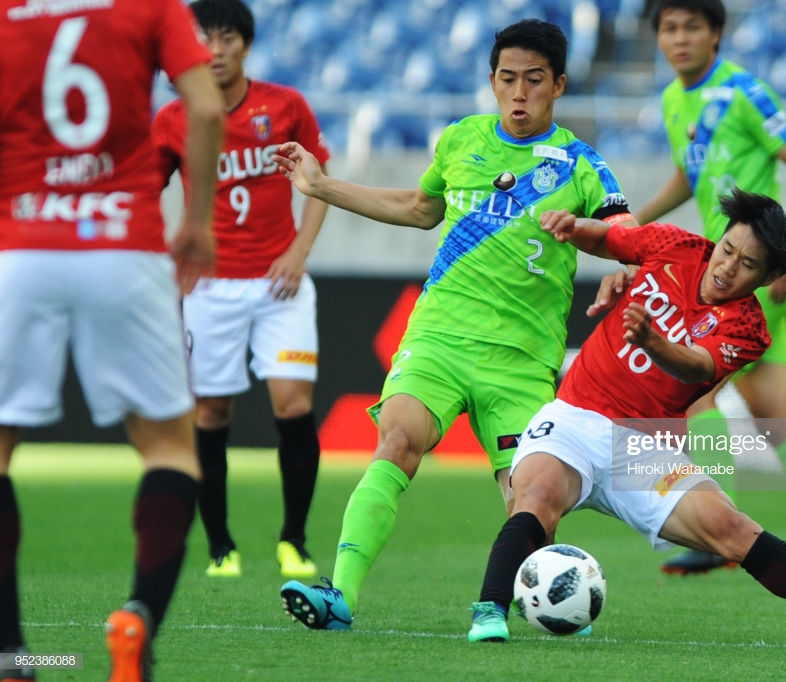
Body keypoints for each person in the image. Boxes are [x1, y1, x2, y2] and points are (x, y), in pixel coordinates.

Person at [273, 19, 637, 632]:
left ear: (560, 86)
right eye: (507, 79)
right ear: (492, 82)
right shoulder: (461, 139)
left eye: (534, 80)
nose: (519, 93)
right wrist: (320, 186)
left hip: (521, 360)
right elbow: (419, 209)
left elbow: (626, 231)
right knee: (396, 443)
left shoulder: (579, 163)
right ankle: (340, 596)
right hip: (438, 337)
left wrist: (622, 263)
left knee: (530, 497)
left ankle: (498, 606)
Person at [468, 190, 786, 649]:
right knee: (535, 497)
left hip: (643, 450)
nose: (727, 267)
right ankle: (490, 609)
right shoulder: (676, 245)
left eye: (747, 264)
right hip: (577, 416)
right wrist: (574, 228)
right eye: (727, 249)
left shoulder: (749, 327)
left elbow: (697, 366)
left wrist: (653, 342)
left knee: (735, 531)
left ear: (771, 276)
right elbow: (611, 240)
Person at [625, 0, 786, 580]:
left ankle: (719, 527)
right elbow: (688, 176)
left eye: (693, 26)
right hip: (728, 273)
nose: (680, 38)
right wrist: (634, 221)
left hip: (746, 276)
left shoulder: (744, 91)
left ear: (716, 34)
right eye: (669, 28)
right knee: (775, 414)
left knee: (696, 397)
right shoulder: (673, 101)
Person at [0, 1, 223, 680]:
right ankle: (138, 617)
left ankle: (11, 655)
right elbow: (207, 111)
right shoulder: (150, 5)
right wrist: (197, 222)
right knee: (168, 449)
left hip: (20, 248)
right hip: (125, 247)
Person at [152, 0, 330, 580]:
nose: (215, 49)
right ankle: (220, 546)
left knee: (294, 404)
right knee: (211, 410)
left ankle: (294, 541)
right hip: (210, 289)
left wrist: (299, 252)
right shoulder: (176, 118)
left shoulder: (285, 106)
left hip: (280, 282)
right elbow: (145, 192)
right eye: (204, 37)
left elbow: (318, 180)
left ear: (245, 44)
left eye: (226, 37)